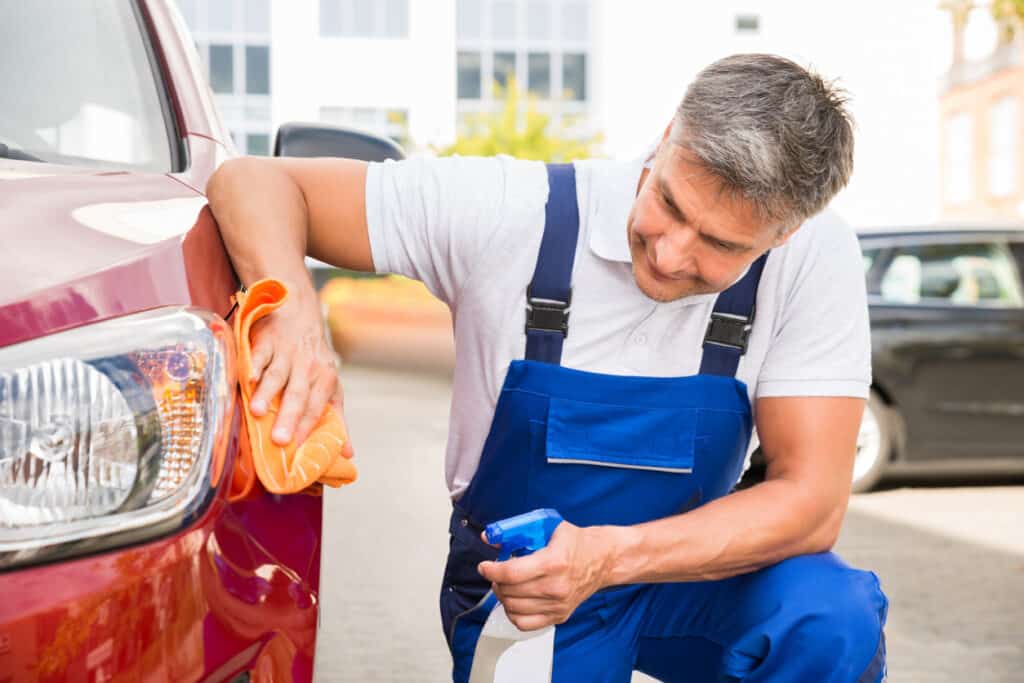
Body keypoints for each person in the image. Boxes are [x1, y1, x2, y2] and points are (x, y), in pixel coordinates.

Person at [207, 53, 888, 682]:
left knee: (828, 619)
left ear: (783, 233)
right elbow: (252, 182)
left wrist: (608, 556)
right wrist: (292, 308)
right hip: (529, 589)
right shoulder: (514, 210)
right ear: (666, 136)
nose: (673, 254)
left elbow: (811, 501)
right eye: (671, 204)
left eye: (719, 243)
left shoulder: (813, 256)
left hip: (693, 567)